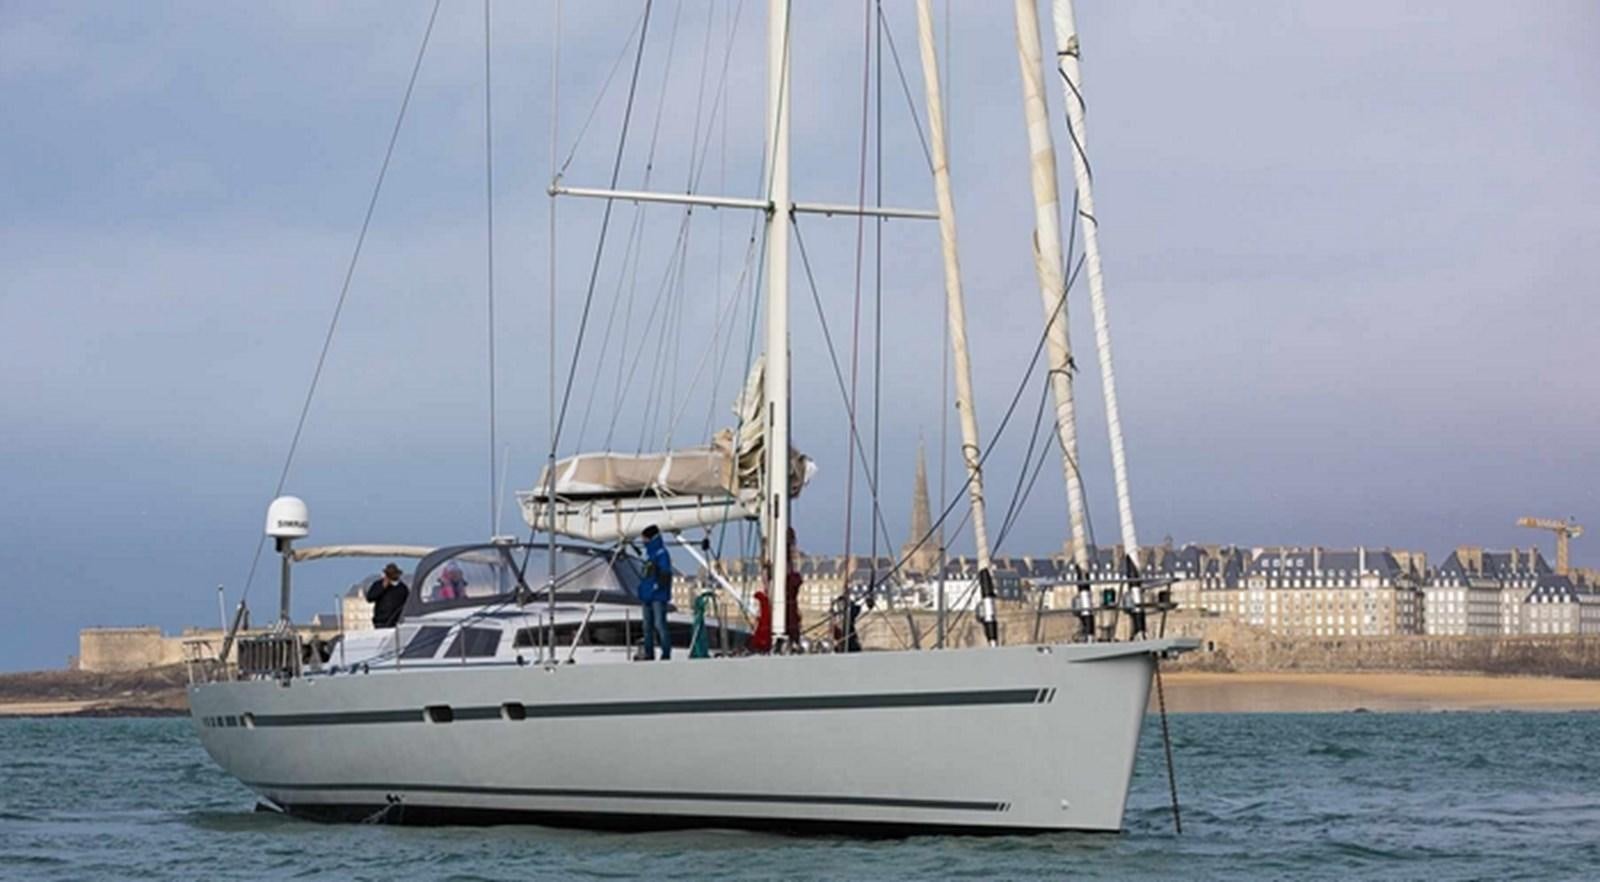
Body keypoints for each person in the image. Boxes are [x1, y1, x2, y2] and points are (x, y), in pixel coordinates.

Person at [636, 525, 674, 661]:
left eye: (644, 538)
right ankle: (649, 653)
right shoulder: (649, 554)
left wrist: (657, 586)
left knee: (659, 624)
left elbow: (665, 573)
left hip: (657, 595)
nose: (643, 541)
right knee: (647, 626)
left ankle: (666, 653)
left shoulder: (661, 553)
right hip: (647, 595)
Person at [366, 563, 409, 629]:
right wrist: (382, 587)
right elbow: (370, 598)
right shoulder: (378, 584)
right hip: (381, 621)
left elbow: (408, 603)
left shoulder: (402, 588)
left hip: (397, 621)